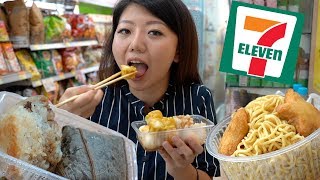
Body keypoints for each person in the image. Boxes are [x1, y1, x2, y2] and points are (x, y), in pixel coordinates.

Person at [59, 0, 220, 179]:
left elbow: (212, 173)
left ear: (178, 51)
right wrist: (59, 123)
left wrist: (182, 170)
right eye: (125, 31)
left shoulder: (198, 98)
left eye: (154, 32)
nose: (135, 44)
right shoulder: (93, 103)